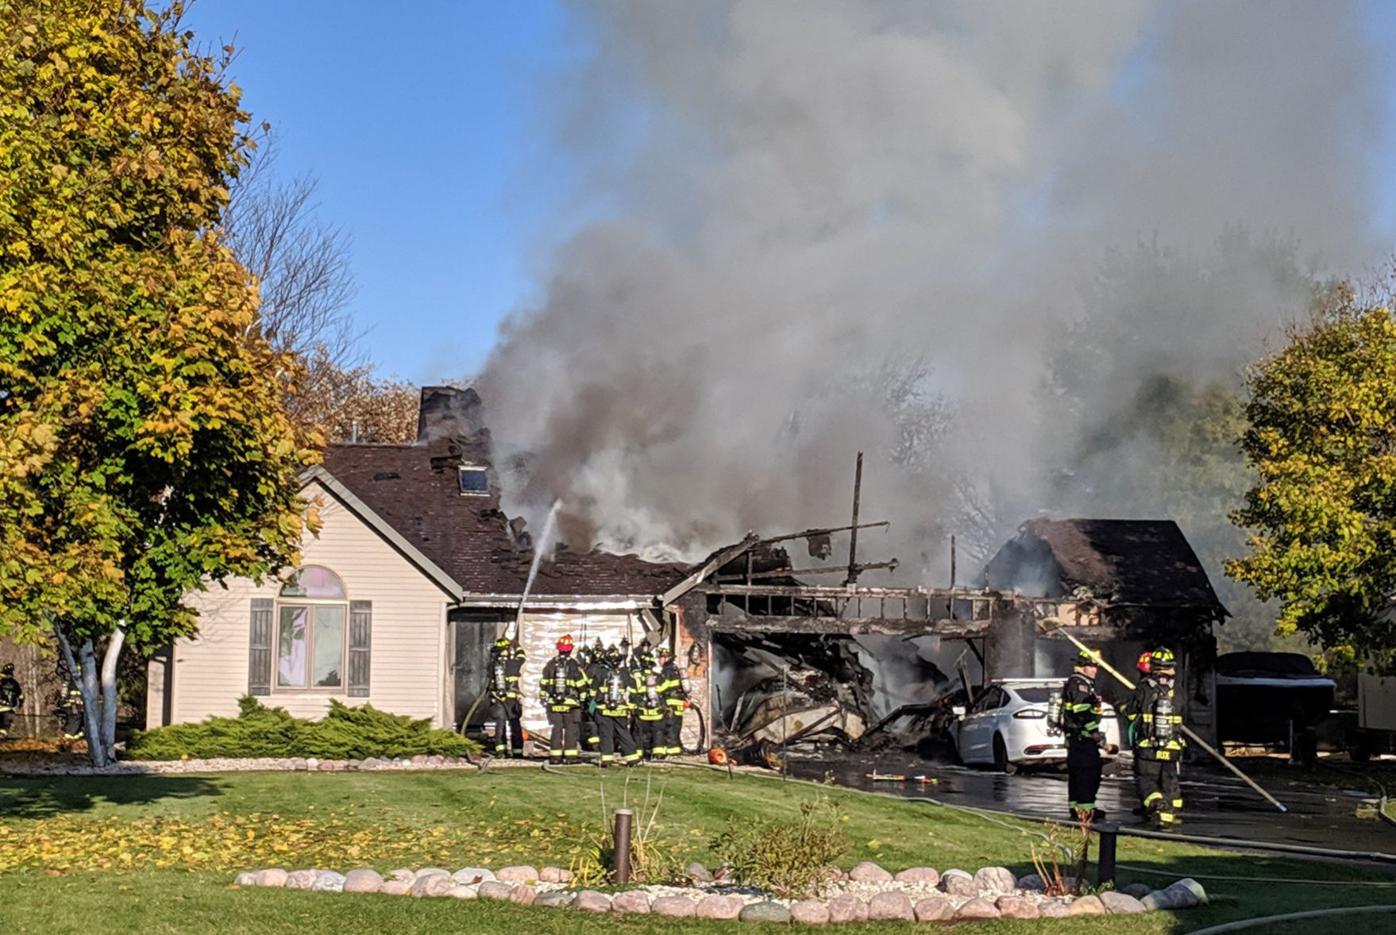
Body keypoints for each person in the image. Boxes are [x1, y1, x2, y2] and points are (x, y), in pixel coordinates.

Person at [1125, 648, 1186, 828]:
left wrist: (1123, 708)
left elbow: (1131, 714)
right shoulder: (1178, 690)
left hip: (1148, 746)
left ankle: (1156, 805)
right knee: (1169, 781)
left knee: (1147, 780)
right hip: (1172, 745)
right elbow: (1183, 713)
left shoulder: (1144, 687)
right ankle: (1169, 817)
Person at [1062, 648, 1107, 822]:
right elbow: (1081, 712)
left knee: (1077, 774)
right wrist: (1094, 733)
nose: (1095, 670)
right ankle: (1086, 809)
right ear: (1082, 666)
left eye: (1096, 666)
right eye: (1091, 666)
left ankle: (1076, 808)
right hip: (1082, 738)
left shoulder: (1082, 683)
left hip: (1076, 738)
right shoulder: (1080, 685)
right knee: (1089, 774)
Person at [540, 635, 589, 764]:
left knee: (556, 729)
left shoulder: (550, 664)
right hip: (571, 704)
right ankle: (570, 757)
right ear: (570, 650)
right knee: (571, 730)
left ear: (559, 649)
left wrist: (544, 698)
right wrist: (583, 699)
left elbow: (543, 683)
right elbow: (581, 684)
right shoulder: (574, 664)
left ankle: (555, 757)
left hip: (553, 703)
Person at [594, 646, 640, 767]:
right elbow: (633, 691)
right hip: (621, 710)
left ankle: (606, 759)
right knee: (623, 733)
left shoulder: (601, 673)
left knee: (606, 734)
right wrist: (631, 706)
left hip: (604, 710)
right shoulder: (625, 674)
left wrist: (594, 704)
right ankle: (632, 758)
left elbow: (595, 693)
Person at [486, 636, 525, 758]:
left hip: (498, 699)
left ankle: (500, 752)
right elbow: (522, 657)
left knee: (500, 725)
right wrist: (516, 644)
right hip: (512, 700)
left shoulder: (493, 665)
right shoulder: (513, 663)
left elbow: (490, 682)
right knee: (514, 724)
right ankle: (517, 752)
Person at [631, 655, 667, 760]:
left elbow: (633, 694)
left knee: (639, 733)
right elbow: (663, 692)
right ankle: (659, 753)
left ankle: (639, 753)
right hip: (657, 713)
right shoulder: (658, 677)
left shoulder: (637, 677)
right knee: (658, 732)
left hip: (642, 713)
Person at [656, 646, 687, 757]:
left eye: (660, 658)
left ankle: (670, 752)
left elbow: (663, 686)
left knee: (668, 727)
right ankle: (675, 750)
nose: (659, 661)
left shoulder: (667, 670)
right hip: (679, 704)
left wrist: (653, 689)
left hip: (670, 704)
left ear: (665, 658)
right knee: (675, 727)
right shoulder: (675, 669)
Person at [0, 663, 22, 741]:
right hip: (9, 709)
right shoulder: (15, 683)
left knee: (3, 728)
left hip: (5, 708)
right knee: (4, 728)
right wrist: (19, 706)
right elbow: (21, 697)